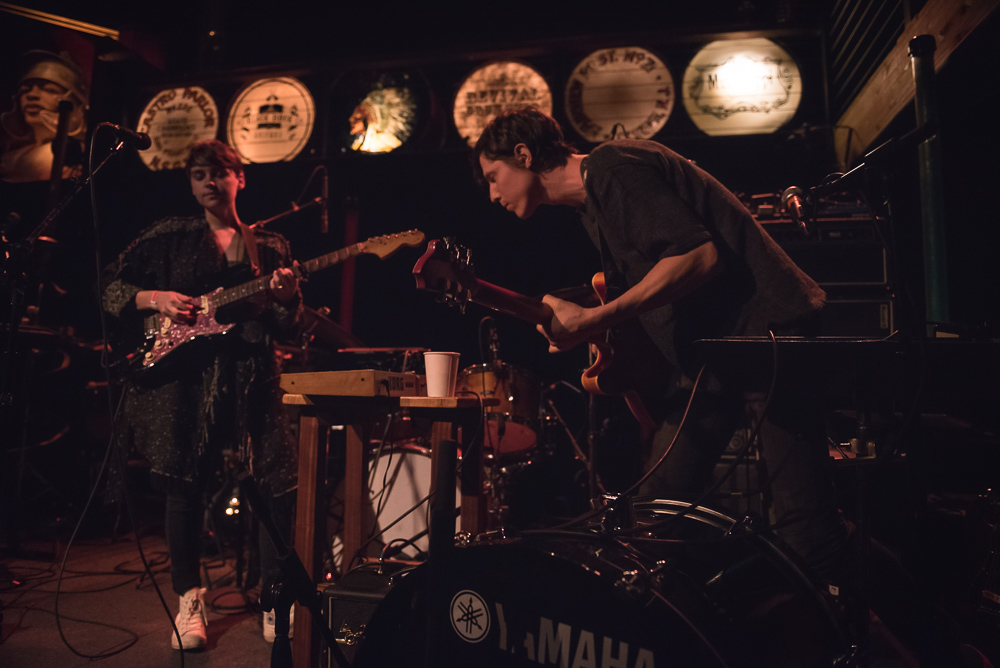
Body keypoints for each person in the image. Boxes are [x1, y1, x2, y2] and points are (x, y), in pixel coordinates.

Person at [474, 107, 993, 667]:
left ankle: (945, 650)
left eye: (492, 175)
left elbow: (697, 257)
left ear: (523, 156)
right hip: (719, 358)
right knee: (658, 515)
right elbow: (652, 293)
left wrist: (593, 322)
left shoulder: (611, 167)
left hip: (766, 342)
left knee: (810, 535)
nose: (492, 193)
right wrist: (585, 326)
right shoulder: (596, 200)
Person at [101, 140, 300, 650]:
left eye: (218, 173)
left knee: (275, 487)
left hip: (252, 376)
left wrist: (285, 296)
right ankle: (189, 602)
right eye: (197, 175)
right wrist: (156, 298)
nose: (209, 182)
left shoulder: (270, 245)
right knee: (184, 489)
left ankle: (275, 597)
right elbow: (111, 289)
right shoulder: (167, 237)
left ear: (240, 179)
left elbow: (287, 326)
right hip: (186, 381)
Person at [0, 50, 88, 183]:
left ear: (74, 102)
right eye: (25, 90)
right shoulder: (9, 159)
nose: (32, 95)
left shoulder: (79, 156)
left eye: (49, 89)